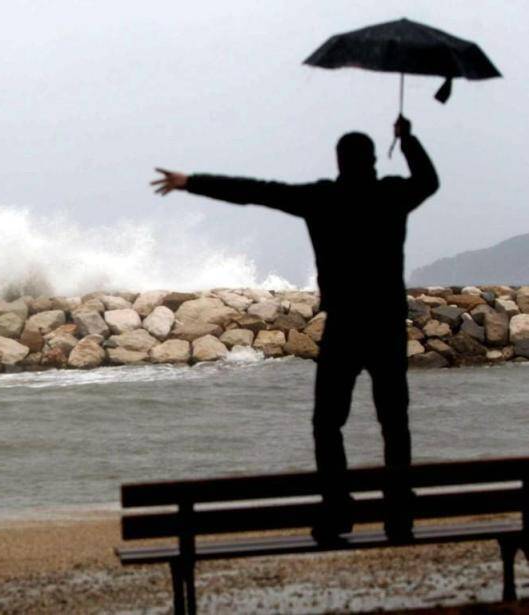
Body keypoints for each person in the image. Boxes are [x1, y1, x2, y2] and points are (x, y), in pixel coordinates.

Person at [152, 116, 439, 541]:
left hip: (344, 327)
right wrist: (409, 139)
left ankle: (339, 512)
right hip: (385, 327)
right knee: (395, 425)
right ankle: (399, 516)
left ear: (339, 161)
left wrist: (190, 181)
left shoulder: (321, 198)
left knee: (327, 424)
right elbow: (429, 181)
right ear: (374, 160)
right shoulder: (393, 195)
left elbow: (255, 192)